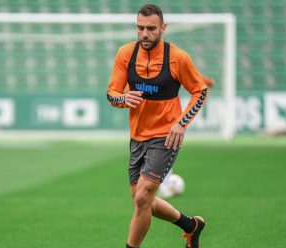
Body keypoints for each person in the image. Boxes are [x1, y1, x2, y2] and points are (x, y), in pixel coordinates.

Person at [106, 4, 209, 248]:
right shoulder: (125, 54)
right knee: (144, 202)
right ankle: (190, 225)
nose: (144, 34)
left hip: (166, 136)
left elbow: (200, 92)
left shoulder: (178, 57)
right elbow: (112, 93)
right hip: (138, 137)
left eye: (151, 29)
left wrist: (181, 123)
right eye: (140, 28)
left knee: (143, 196)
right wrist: (123, 99)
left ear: (163, 28)